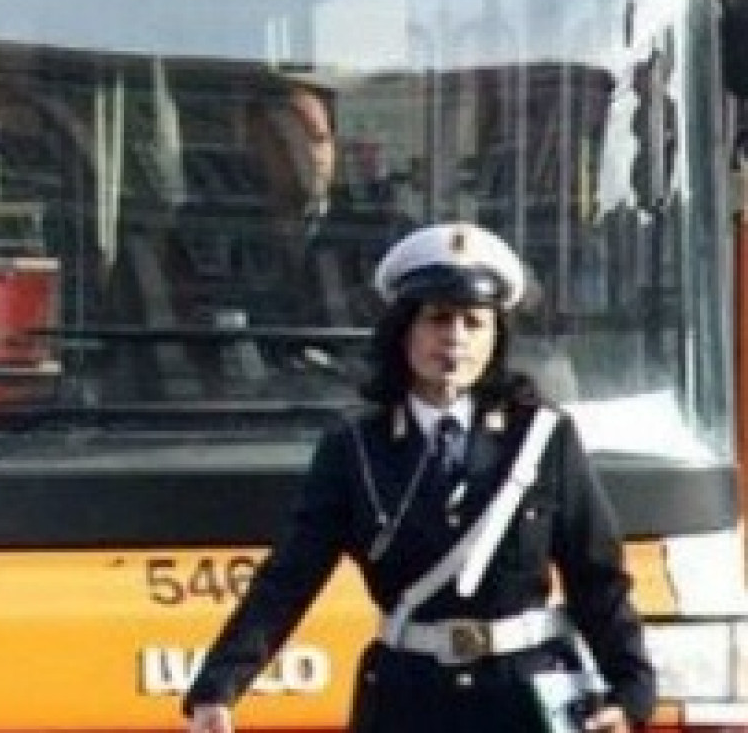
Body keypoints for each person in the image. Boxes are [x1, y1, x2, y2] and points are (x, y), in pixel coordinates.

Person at [182, 222, 654, 733]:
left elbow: (597, 577)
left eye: (474, 323)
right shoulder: (356, 445)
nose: (455, 339)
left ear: (496, 339)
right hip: (406, 697)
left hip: (522, 699)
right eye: (438, 319)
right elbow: (290, 577)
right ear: (404, 330)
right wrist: (219, 686)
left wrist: (630, 691)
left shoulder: (542, 437)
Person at [109, 69, 409, 399]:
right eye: (283, 142)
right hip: (237, 421)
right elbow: (191, 342)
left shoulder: (377, 236)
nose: (307, 156)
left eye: (318, 139)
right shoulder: (206, 238)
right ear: (253, 145)